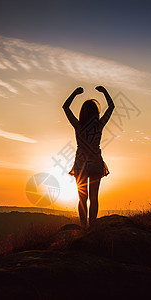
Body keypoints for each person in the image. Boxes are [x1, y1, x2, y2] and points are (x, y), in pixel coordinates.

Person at [62, 86, 115, 228]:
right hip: (96, 164)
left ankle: (83, 227)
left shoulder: (78, 126)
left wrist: (75, 92)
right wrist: (104, 92)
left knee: (82, 199)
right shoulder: (99, 125)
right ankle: (92, 227)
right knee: (94, 198)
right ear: (95, 113)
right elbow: (111, 107)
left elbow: (65, 107)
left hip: (81, 165)